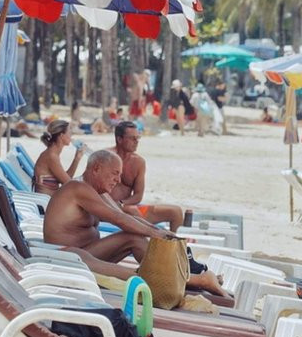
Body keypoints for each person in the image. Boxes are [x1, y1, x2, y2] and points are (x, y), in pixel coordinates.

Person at [43, 150, 228, 297]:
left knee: (134, 238)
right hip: (69, 258)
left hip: (89, 251)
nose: (118, 180)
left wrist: (158, 231)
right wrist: (156, 234)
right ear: (97, 168)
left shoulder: (97, 191)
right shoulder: (78, 188)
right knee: (136, 279)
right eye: (115, 173)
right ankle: (199, 281)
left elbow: (123, 214)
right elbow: (118, 220)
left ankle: (188, 276)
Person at [107, 121, 186, 232]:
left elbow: (138, 195)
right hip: (106, 208)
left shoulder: (139, 162)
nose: (136, 142)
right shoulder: (106, 157)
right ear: (119, 139)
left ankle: (173, 247)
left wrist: (121, 204)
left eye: (137, 138)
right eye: (132, 138)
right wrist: (113, 205)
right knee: (132, 210)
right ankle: (151, 238)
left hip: (125, 206)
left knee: (175, 211)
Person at [32, 119, 85, 196]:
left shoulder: (52, 153)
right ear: (61, 135)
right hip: (48, 203)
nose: (71, 135)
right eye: (69, 132)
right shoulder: (51, 156)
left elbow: (66, 178)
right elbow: (68, 183)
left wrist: (77, 158)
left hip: (52, 198)